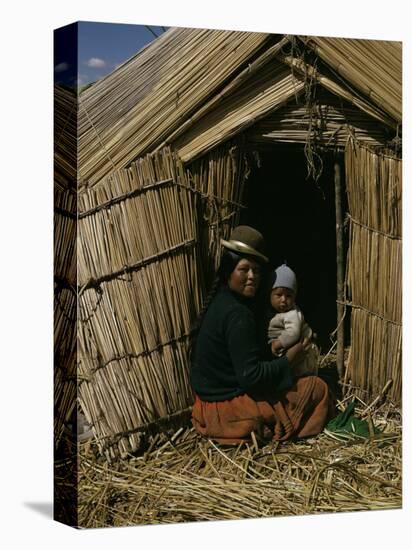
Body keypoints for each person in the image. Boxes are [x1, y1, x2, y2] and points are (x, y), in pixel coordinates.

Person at [190, 225, 332, 445]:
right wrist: (289, 360)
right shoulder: (237, 314)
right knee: (317, 388)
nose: (251, 277)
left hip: (207, 404)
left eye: (256, 271)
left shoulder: (225, 300)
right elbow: (251, 378)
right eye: (244, 269)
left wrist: (269, 350)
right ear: (229, 270)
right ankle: (279, 430)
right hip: (226, 410)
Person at [268, 263, 319, 377]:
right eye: (279, 294)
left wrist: (277, 344)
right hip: (290, 352)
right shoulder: (270, 313)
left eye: (289, 296)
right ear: (270, 295)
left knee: (299, 374)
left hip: (304, 355)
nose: (283, 300)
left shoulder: (292, 314)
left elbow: (293, 333)